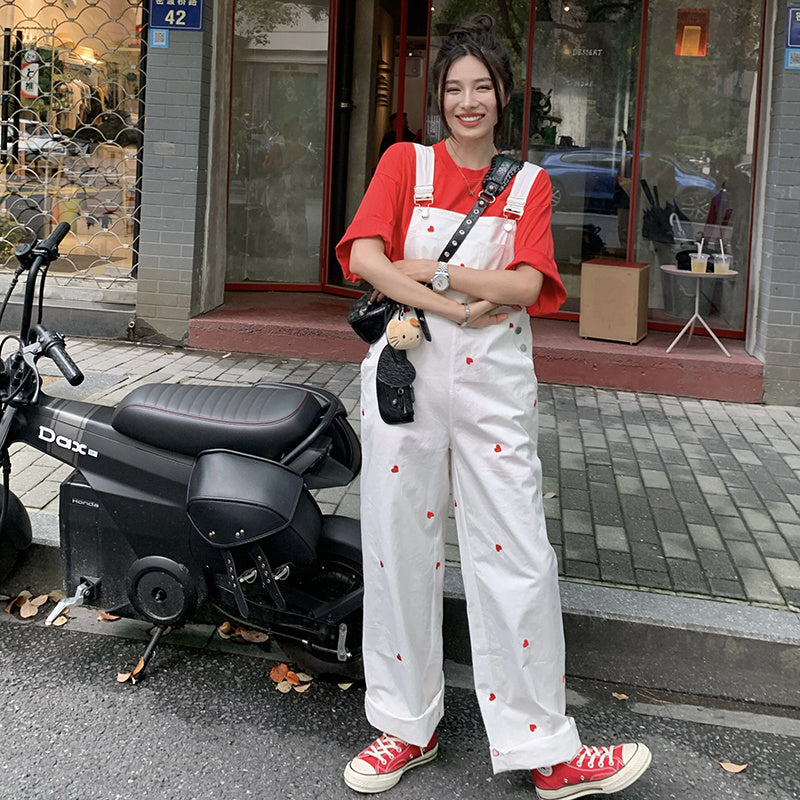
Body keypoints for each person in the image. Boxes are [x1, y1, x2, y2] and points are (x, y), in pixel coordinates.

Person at [335, 15, 652, 798]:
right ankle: (403, 727)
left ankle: (544, 746)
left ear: (503, 97)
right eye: (453, 88)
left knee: (517, 553)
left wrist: (435, 277)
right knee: (397, 545)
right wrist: (440, 296)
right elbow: (366, 257)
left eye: (482, 87)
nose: (467, 101)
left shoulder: (528, 183)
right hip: (406, 378)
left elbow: (526, 286)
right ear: (436, 96)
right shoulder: (403, 164)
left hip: (493, 387)